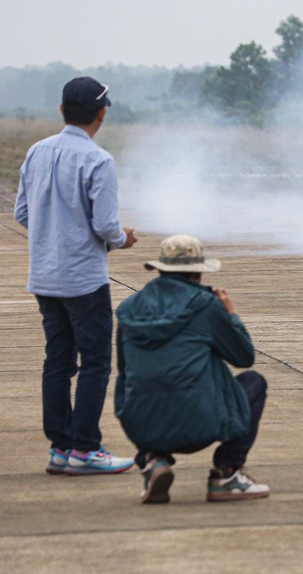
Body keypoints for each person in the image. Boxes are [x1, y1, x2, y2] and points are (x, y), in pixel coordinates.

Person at [15, 76, 138, 476]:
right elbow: (105, 226)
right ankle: (85, 449)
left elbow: (21, 213)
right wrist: (123, 239)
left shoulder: (36, 151)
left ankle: (60, 448)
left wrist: (52, 232)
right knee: (96, 363)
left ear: (62, 110)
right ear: (101, 114)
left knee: (57, 362)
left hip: (44, 278)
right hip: (84, 280)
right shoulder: (98, 160)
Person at [114, 234, 270, 504]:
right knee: (254, 382)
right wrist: (231, 315)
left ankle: (152, 460)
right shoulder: (206, 305)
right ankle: (227, 473)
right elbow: (243, 357)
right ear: (198, 272)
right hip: (200, 422)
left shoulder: (128, 308)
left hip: (141, 422)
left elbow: (124, 367)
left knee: (141, 382)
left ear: (161, 269)